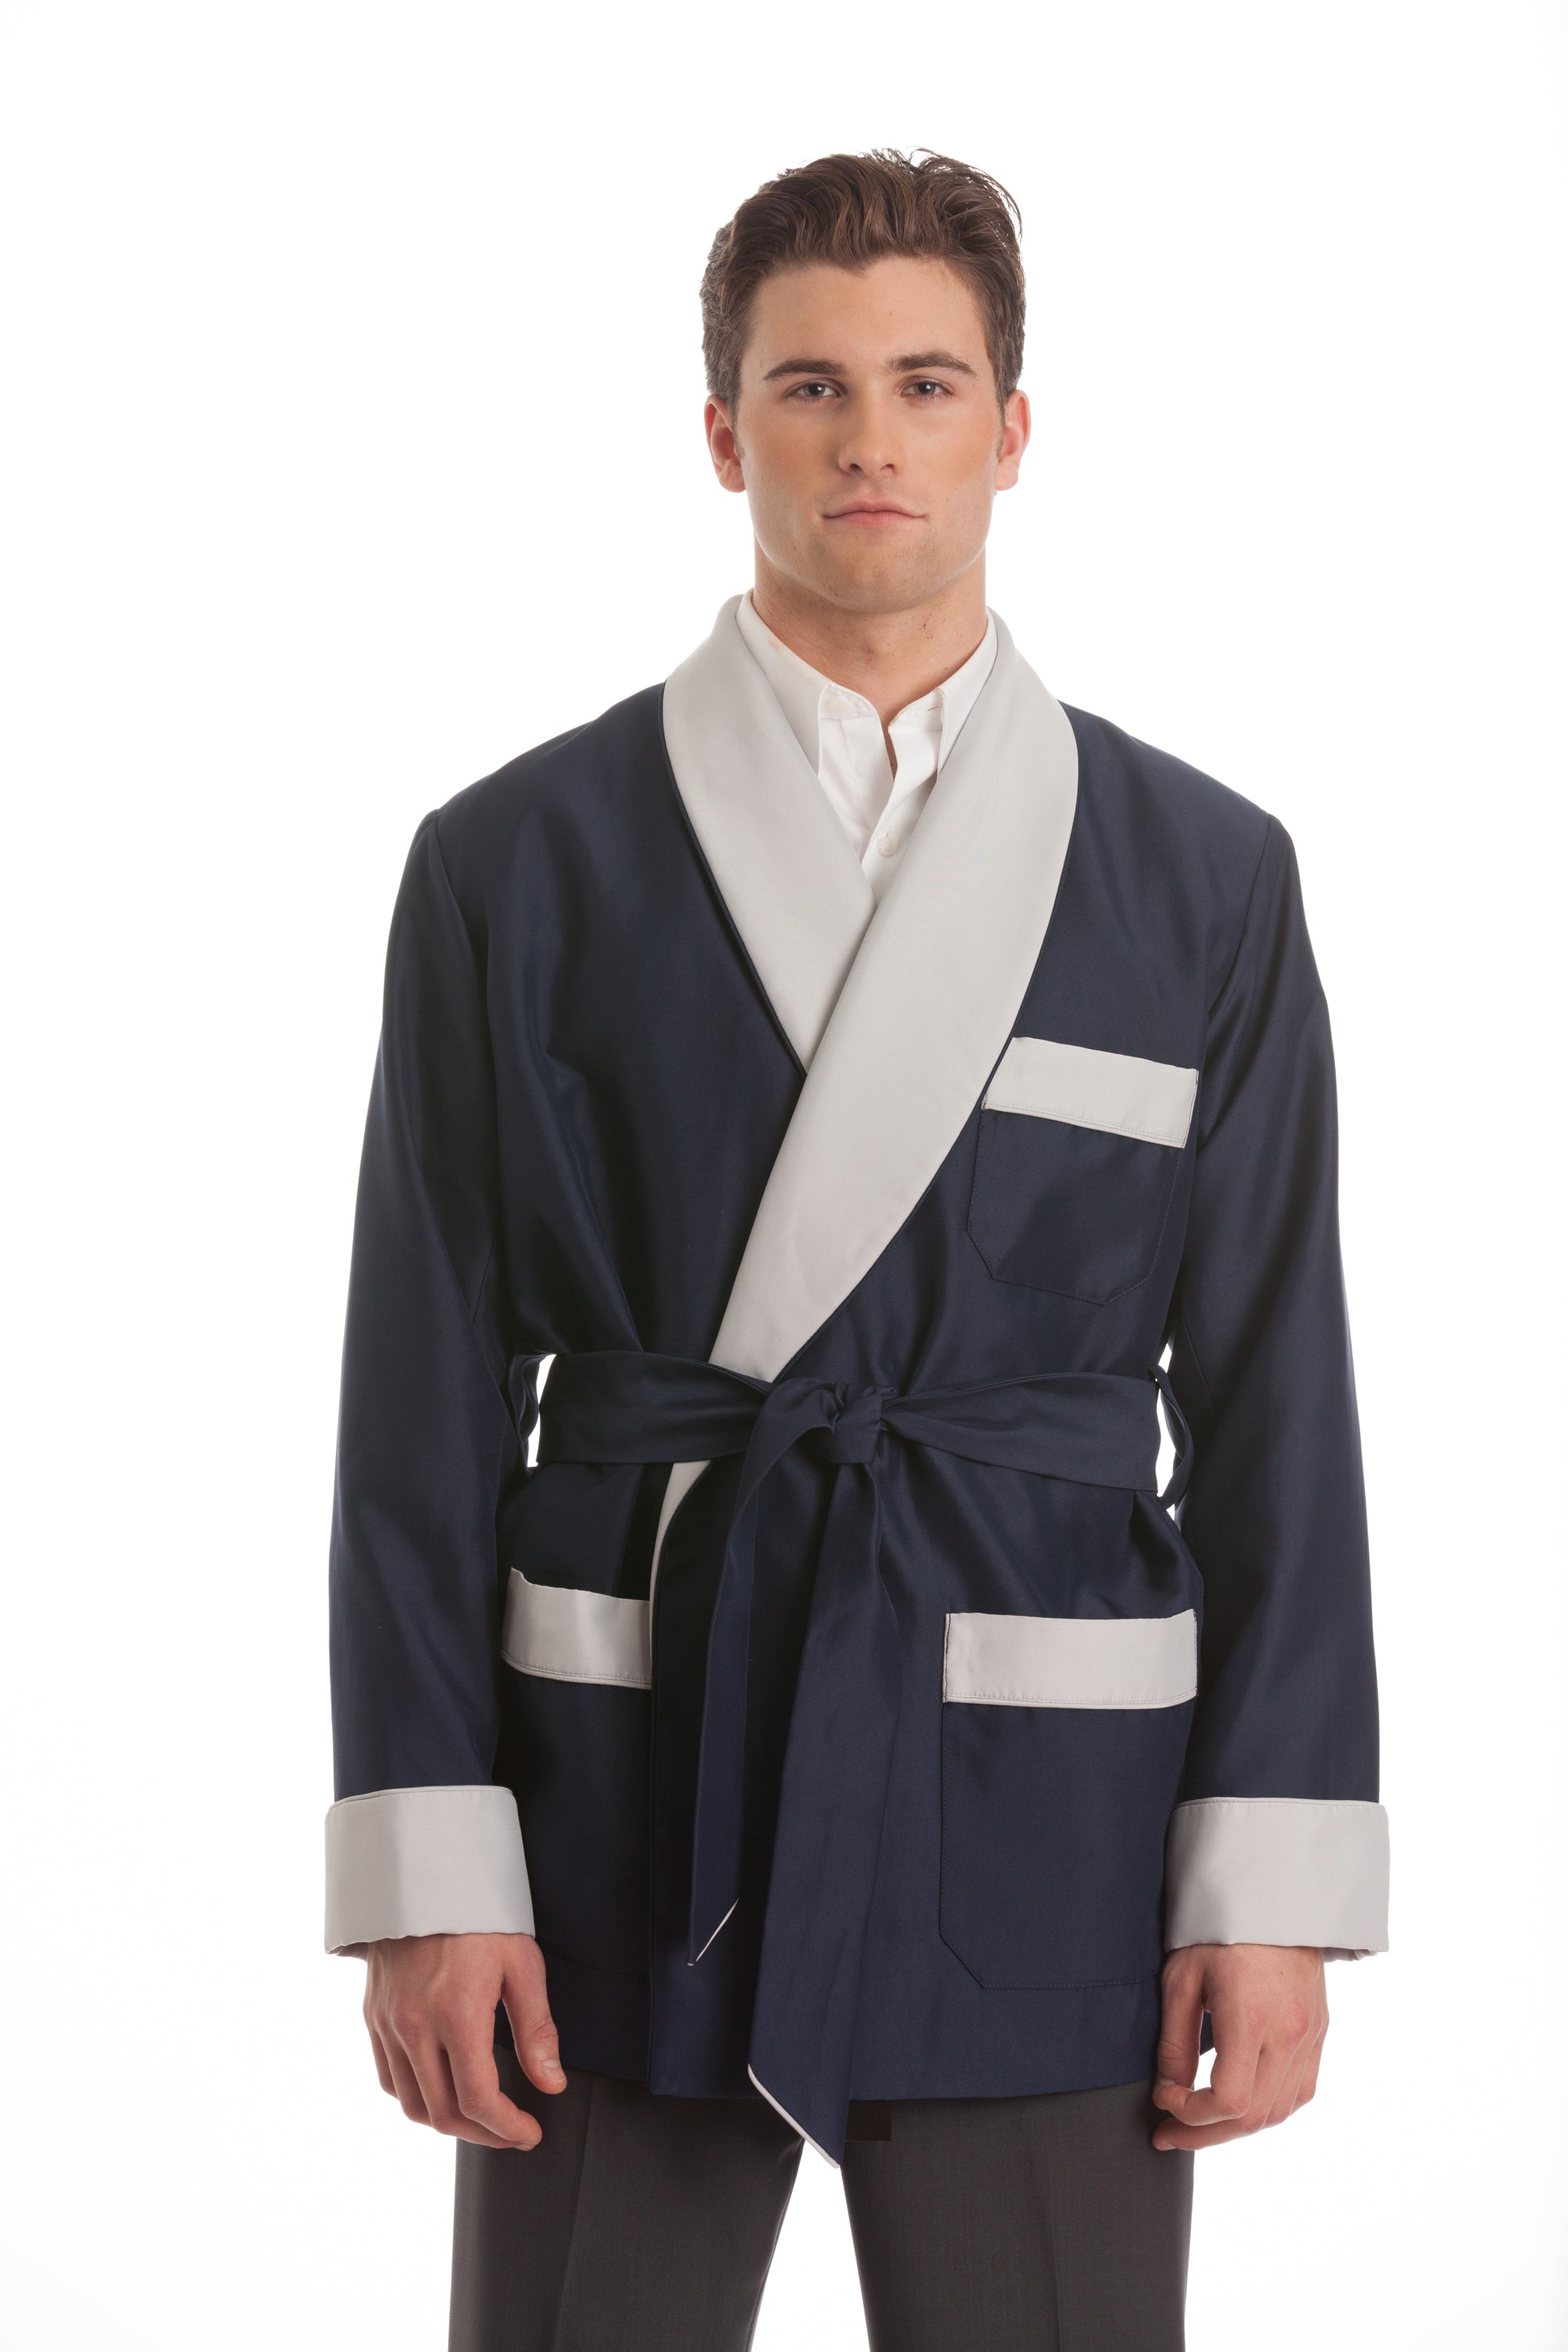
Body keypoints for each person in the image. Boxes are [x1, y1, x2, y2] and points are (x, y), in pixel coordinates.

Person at [325, 149, 1388, 2352]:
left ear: (1014, 428)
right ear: (725, 434)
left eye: (927, 383)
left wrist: (1273, 1878)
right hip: (626, 1771)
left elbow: (1277, 1393)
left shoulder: (1201, 877)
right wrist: (429, 1868)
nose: (869, 439)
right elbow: (414, 1400)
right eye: (810, 387)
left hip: (1046, 1782)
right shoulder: (514, 863)